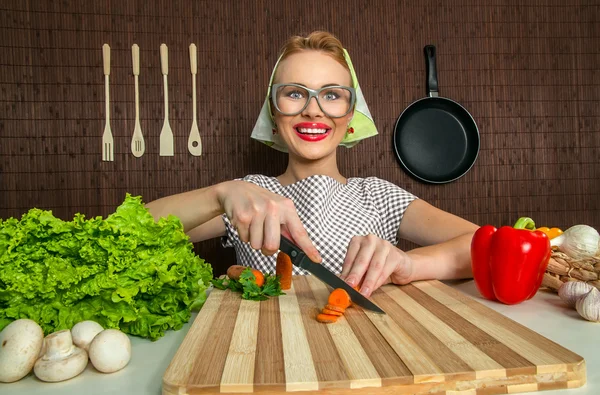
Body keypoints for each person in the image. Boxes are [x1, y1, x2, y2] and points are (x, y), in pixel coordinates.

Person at [146, 31, 479, 298]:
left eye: (332, 95)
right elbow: (135, 233)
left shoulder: (378, 197)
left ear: (350, 117)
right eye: (294, 93)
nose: (313, 109)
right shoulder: (249, 198)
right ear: (273, 116)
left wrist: (409, 262)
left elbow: (483, 244)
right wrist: (219, 195)